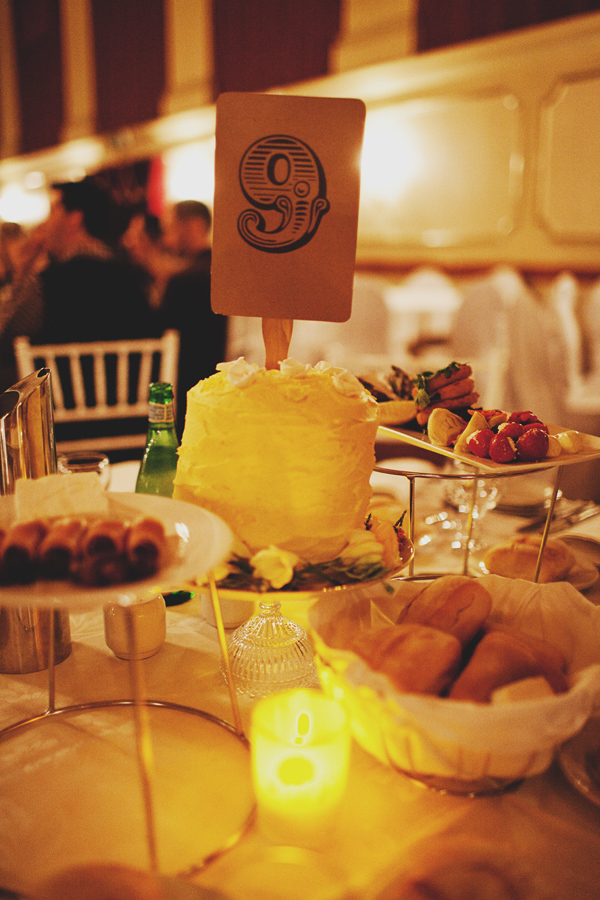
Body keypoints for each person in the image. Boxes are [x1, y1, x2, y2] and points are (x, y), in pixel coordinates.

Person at [158, 200, 228, 436]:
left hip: (189, 388)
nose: (166, 238)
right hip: (226, 380)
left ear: (194, 226)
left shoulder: (183, 281)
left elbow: (161, 329)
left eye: (171, 228)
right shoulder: (225, 272)